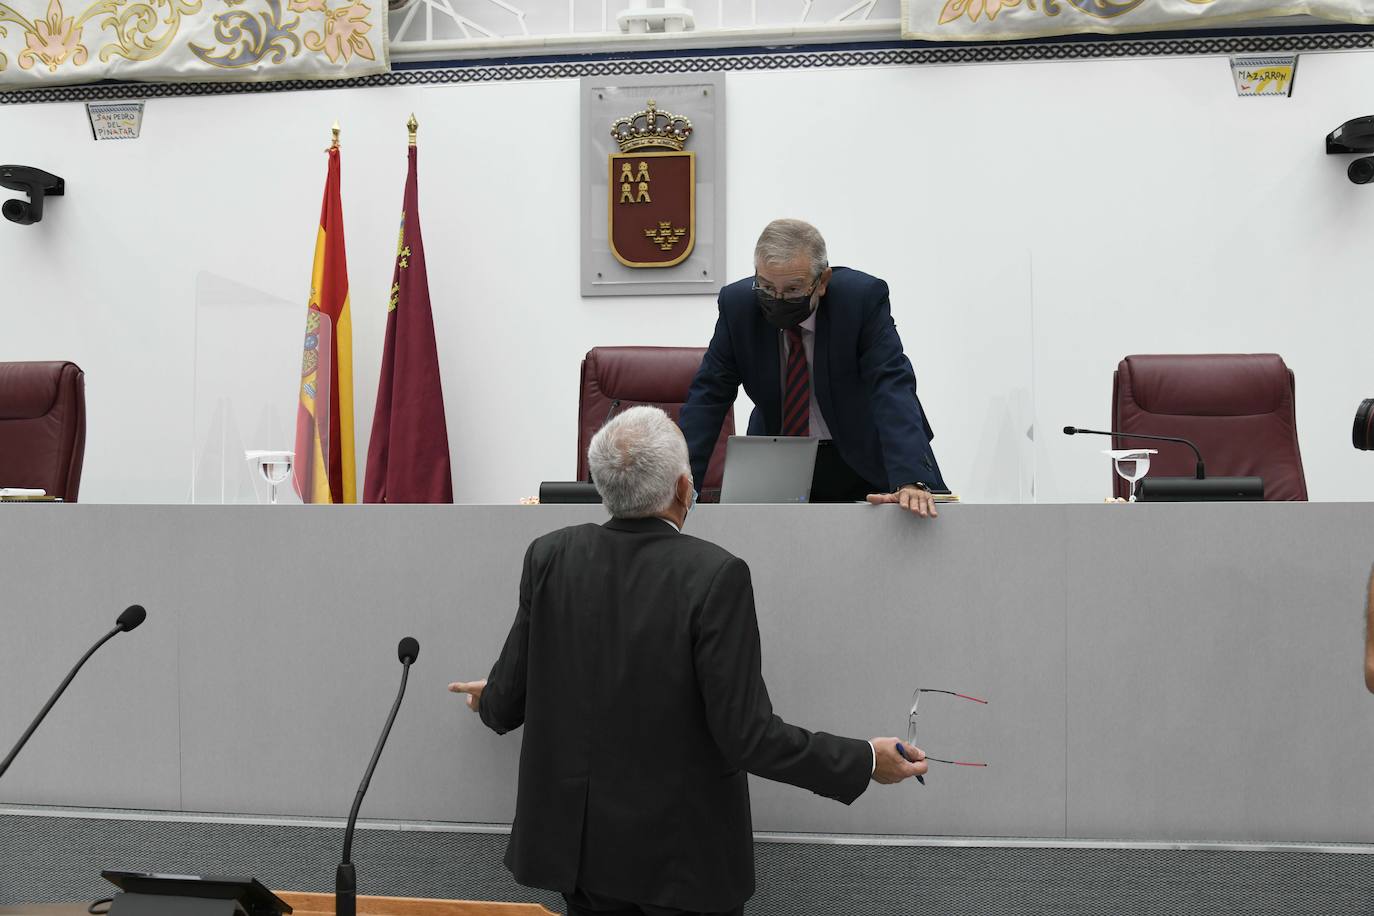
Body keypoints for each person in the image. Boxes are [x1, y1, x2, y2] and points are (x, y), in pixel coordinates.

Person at [449, 407, 927, 916]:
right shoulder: (715, 575)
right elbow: (749, 737)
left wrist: (489, 696)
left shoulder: (549, 556)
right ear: (682, 488)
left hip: (582, 862)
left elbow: (505, 702)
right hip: (681, 871)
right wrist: (867, 761)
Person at [679, 218, 945, 517]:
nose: (778, 299)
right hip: (781, 459)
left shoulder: (860, 300)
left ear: (822, 282)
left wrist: (909, 478)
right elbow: (709, 396)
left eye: (793, 289)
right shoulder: (738, 306)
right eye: (766, 287)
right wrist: (678, 483)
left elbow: (891, 384)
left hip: (867, 455)